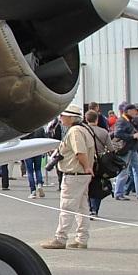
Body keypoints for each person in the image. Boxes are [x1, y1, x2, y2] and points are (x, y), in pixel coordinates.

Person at [42, 105, 95, 251]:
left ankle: (60, 238)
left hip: (75, 174)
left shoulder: (75, 131)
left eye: (63, 116)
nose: (60, 118)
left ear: (71, 117)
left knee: (67, 207)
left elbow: (80, 152)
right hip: (82, 175)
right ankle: (82, 238)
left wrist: (86, 167)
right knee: (82, 207)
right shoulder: (84, 129)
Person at [111, 104, 138, 201]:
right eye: (133, 110)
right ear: (127, 111)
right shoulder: (122, 121)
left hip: (132, 148)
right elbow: (118, 134)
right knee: (124, 171)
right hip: (126, 149)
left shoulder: (129, 120)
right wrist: (132, 136)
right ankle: (119, 193)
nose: (136, 112)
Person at [84, 110, 112, 219]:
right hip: (99, 161)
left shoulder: (83, 131)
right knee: (98, 185)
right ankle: (95, 209)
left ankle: (88, 207)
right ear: (97, 119)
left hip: (85, 159)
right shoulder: (103, 132)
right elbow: (111, 148)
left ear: (86, 119)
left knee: (87, 185)